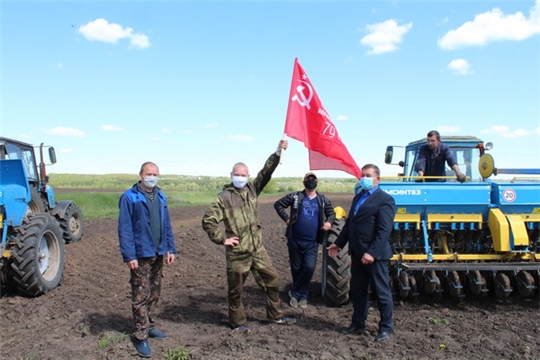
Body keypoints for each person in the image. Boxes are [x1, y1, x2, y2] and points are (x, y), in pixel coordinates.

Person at [202, 139, 296, 333]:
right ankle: (237, 323)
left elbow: (266, 172)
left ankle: (275, 316)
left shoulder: (252, 190)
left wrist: (278, 152)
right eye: (237, 175)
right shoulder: (224, 197)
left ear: (248, 176)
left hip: (257, 250)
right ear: (231, 175)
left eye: (243, 175)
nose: (240, 177)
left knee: (273, 280)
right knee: (236, 291)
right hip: (237, 253)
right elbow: (208, 220)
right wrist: (222, 239)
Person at [327, 164, 396, 342]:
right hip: (357, 254)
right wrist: (338, 244)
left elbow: (384, 230)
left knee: (381, 292)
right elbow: (351, 224)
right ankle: (358, 323)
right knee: (358, 291)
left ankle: (386, 328)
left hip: (375, 256)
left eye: (368, 175)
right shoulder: (359, 197)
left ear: (377, 179)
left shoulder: (384, 200)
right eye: (362, 175)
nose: (364, 178)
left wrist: (371, 252)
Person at [118, 161, 176, 358]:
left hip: (159, 251)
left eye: (155, 174)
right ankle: (140, 335)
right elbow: (125, 228)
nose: (152, 177)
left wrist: (170, 248)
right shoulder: (129, 197)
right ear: (141, 175)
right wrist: (129, 255)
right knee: (140, 294)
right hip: (141, 253)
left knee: (155, 291)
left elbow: (166, 224)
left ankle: (150, 325)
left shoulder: (160, 195)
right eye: (149, 173)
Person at [273, 172, 335, 308]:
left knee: (309, 267)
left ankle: (296, 292)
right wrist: (286, 219)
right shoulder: (295, 197)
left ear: (317, 183)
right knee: (296, 268)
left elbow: (331, 213)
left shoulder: (322, 200)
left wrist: (329, 223)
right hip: (295, 239)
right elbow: (278, 205)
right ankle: (302, 295)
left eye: (313, 180)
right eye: (308, 179)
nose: (311, 181)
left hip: (312, 242)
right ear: (304, 182)